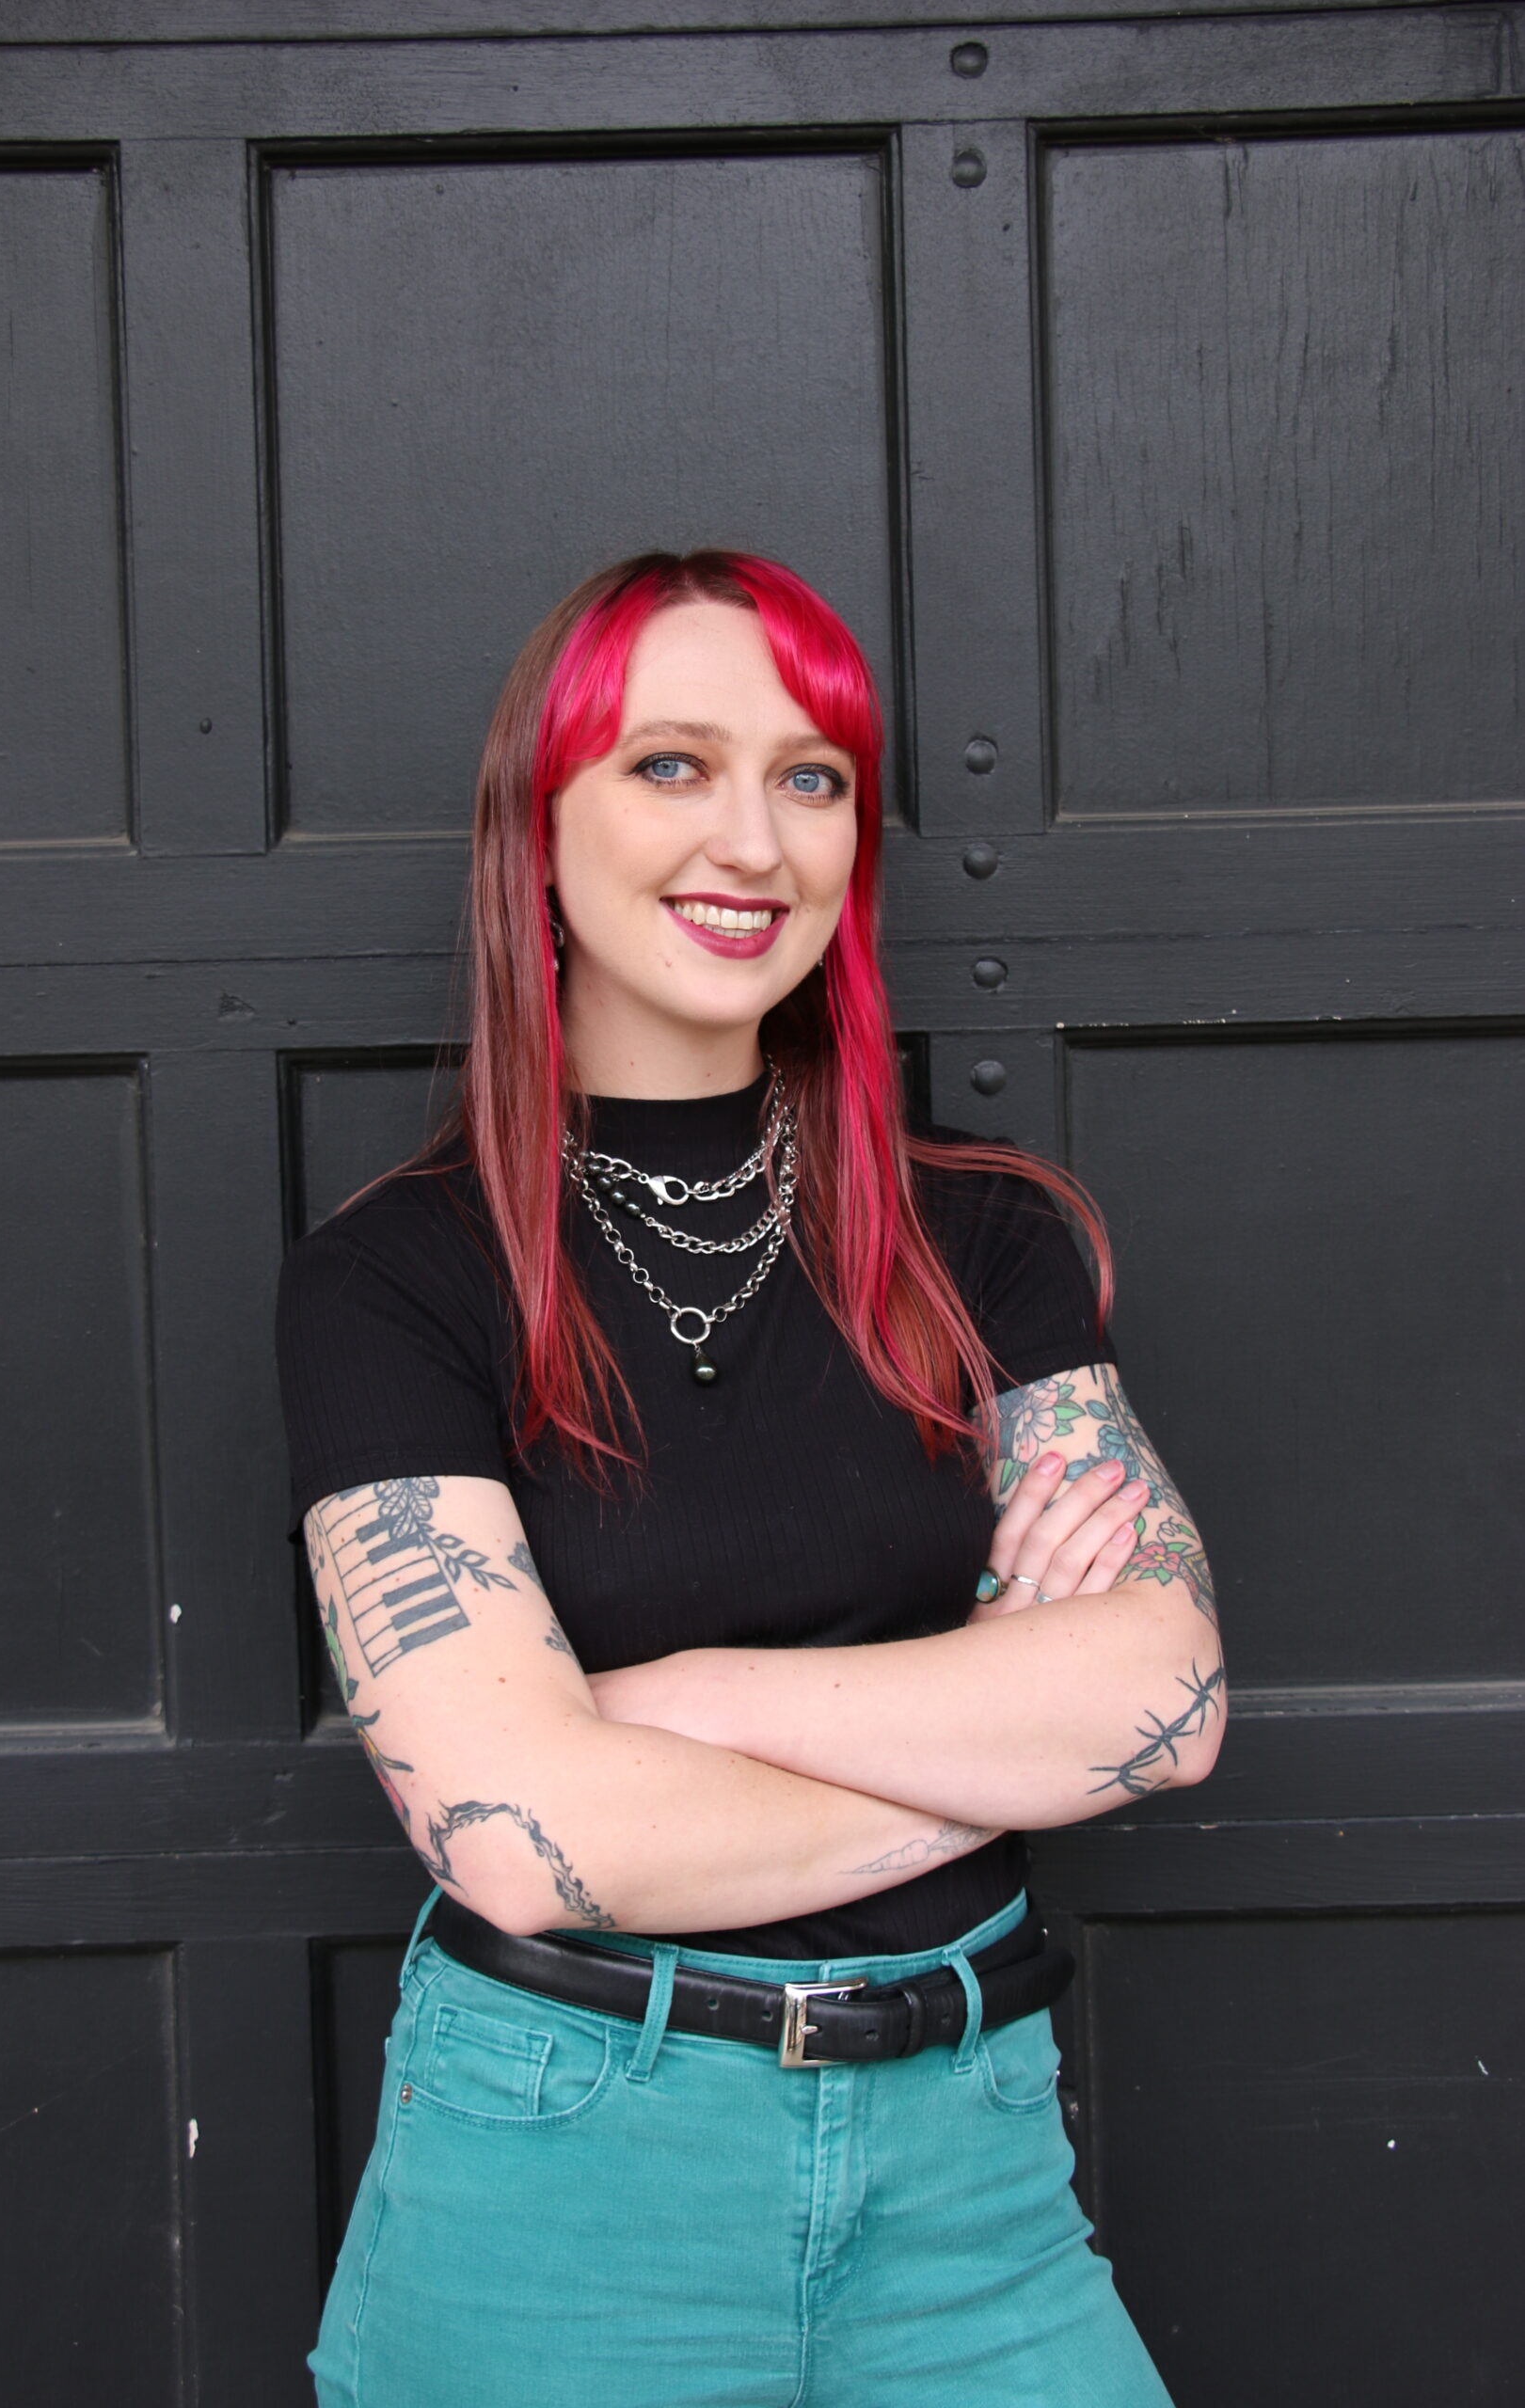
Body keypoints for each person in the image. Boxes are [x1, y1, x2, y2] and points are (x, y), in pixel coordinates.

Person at [276, 548, 1224, 2406]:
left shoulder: (983, 1238)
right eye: (671, 765)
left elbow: (1164, 1701)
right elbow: (517, 1833)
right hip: (564, 2167)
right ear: (537, 826)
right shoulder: (394, 1281)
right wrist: (992, 1738)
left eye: (810, 777)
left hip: (972, 2170)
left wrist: (683, 1702)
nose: (753, 840)